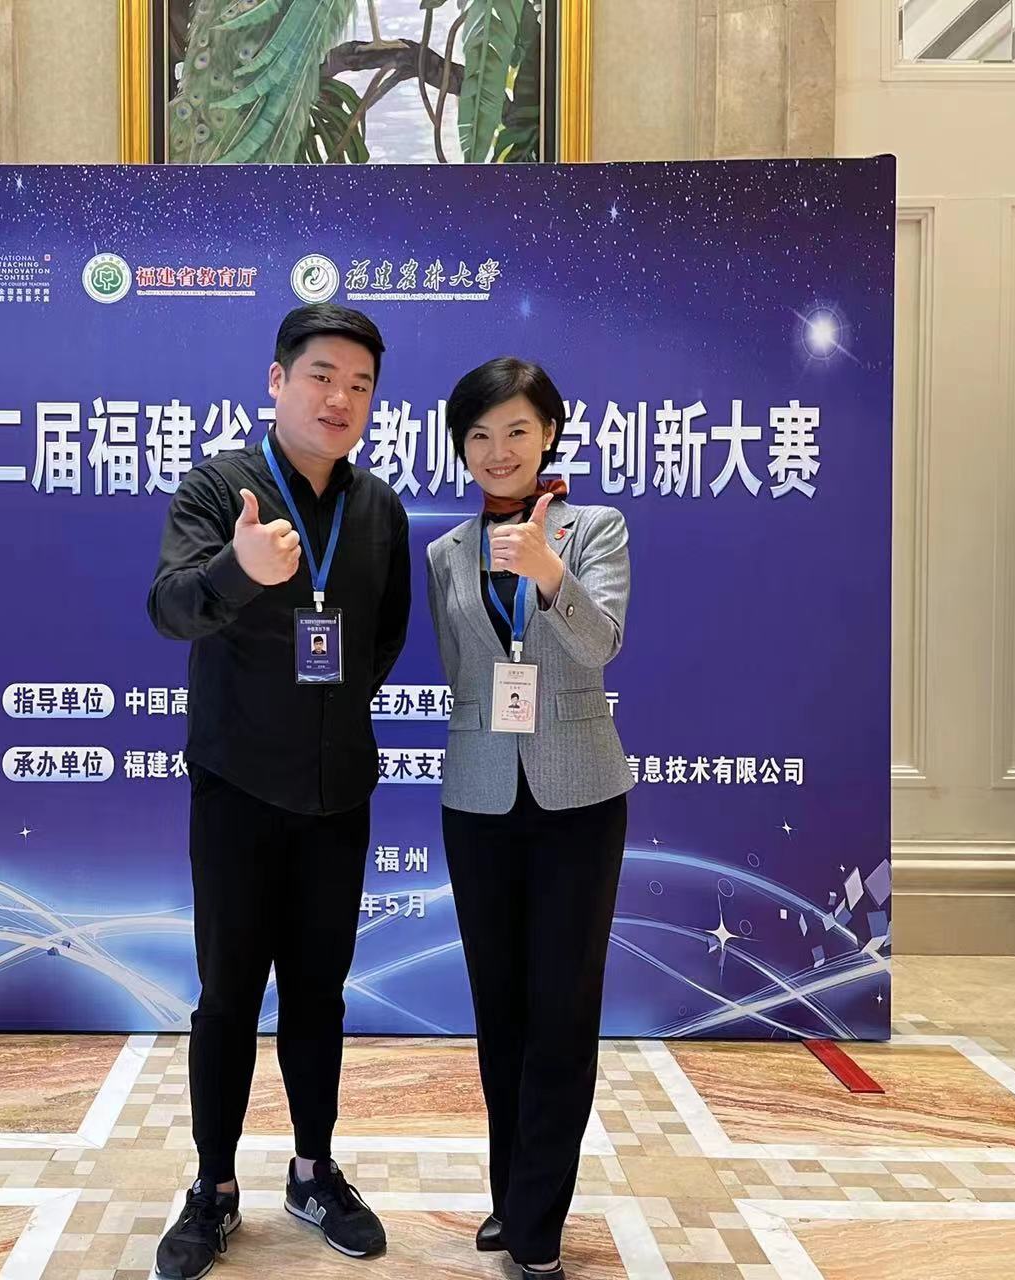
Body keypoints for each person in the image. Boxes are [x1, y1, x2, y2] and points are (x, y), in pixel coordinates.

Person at [146, 304, 410, 1277]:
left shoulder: (378, 509)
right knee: (226, 997)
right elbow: (169, 606)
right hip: (237, 792)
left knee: (318, 995)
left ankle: (312, 1170)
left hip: (337, 795)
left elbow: (381, 638)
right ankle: (213, 1187)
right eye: (321, 376)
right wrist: (240, 569)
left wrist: (326, 717)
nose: (340, 399)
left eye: (360, 385)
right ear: (276, 380)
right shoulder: (220, 488)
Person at [425, 357, 634, 1280]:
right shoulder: (445, 552)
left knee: (563, 1006)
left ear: (548, 432)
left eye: (516, 430)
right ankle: (511, 1196)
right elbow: (462, 675)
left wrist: (550, 575)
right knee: (499, 1008)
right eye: (478, 435)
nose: (498, 450)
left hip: (579, 797)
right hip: (477, 796)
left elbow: (600, 645)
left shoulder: (596, 529)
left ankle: (539, 1218)